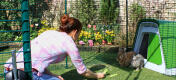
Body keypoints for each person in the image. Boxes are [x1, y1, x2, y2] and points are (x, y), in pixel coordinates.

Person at [4, 14, 105, 80]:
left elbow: (39, 60)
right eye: (79, 33)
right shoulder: (70, 44)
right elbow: (83, 71)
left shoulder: (49, 32)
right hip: (25, 75)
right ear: (75, 32)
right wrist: (97, 75)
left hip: (8, 69)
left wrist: (52, 75)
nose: (79, 36)